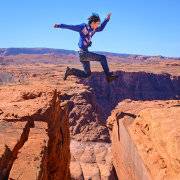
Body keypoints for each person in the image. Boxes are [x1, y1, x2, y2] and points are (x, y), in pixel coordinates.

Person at [54, 13, 119, 83]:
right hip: (83, 53)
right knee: (102, 58)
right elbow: (71, 27)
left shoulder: (93, 29)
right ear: (93, 22)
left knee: (87, 74)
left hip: (83, 53)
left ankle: (70, 71)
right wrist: (59, 26)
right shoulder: (83, 27)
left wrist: (107, 19)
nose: (98, 25)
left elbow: (101, 28)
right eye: (97, 23)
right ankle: (108, 76)